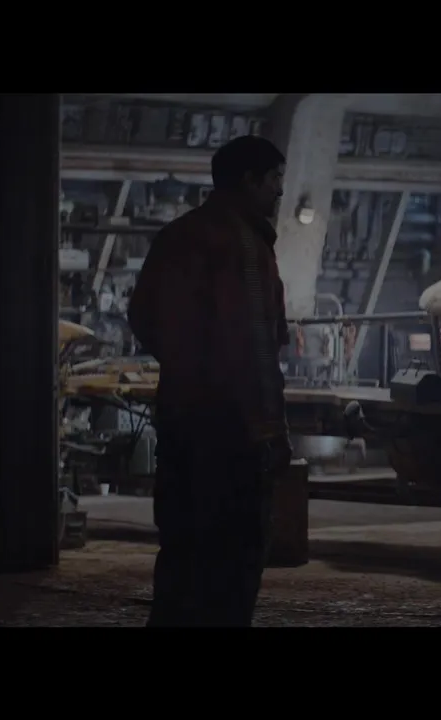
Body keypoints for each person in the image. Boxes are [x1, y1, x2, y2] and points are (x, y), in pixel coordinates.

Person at [128, 135, 292, 627]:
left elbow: (144, 317)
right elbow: (255, 347)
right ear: (249, 180)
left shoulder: (178, 235)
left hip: (182, 418)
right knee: (234, 558)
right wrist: (270, 431)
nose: (280, 192)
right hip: (235, 431)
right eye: (274, 180)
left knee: (182, 549)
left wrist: (186, 368)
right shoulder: (244, 246)